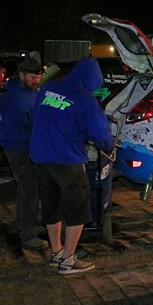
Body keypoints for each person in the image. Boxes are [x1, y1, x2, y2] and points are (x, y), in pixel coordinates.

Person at [30, 57, 114, 274]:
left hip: (40, 156)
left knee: (51, 203)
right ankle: (68, 260)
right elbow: (99, 131)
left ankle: (56, 252)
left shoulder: (48, 88)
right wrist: (108, 146)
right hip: (67, 159)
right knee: (77, 206)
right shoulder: (83, 98)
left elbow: (35, 115)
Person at [0, 57, 45, 250]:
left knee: (34, 186)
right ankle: (27, 233)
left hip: (29, 146)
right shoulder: (14, 97)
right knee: (29, 188)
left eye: (39, 77)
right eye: (33, 77)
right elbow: (17, 128)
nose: (37, 81)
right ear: (22, 74)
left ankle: (29, 221)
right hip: (18, 148)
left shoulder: (29, 91)